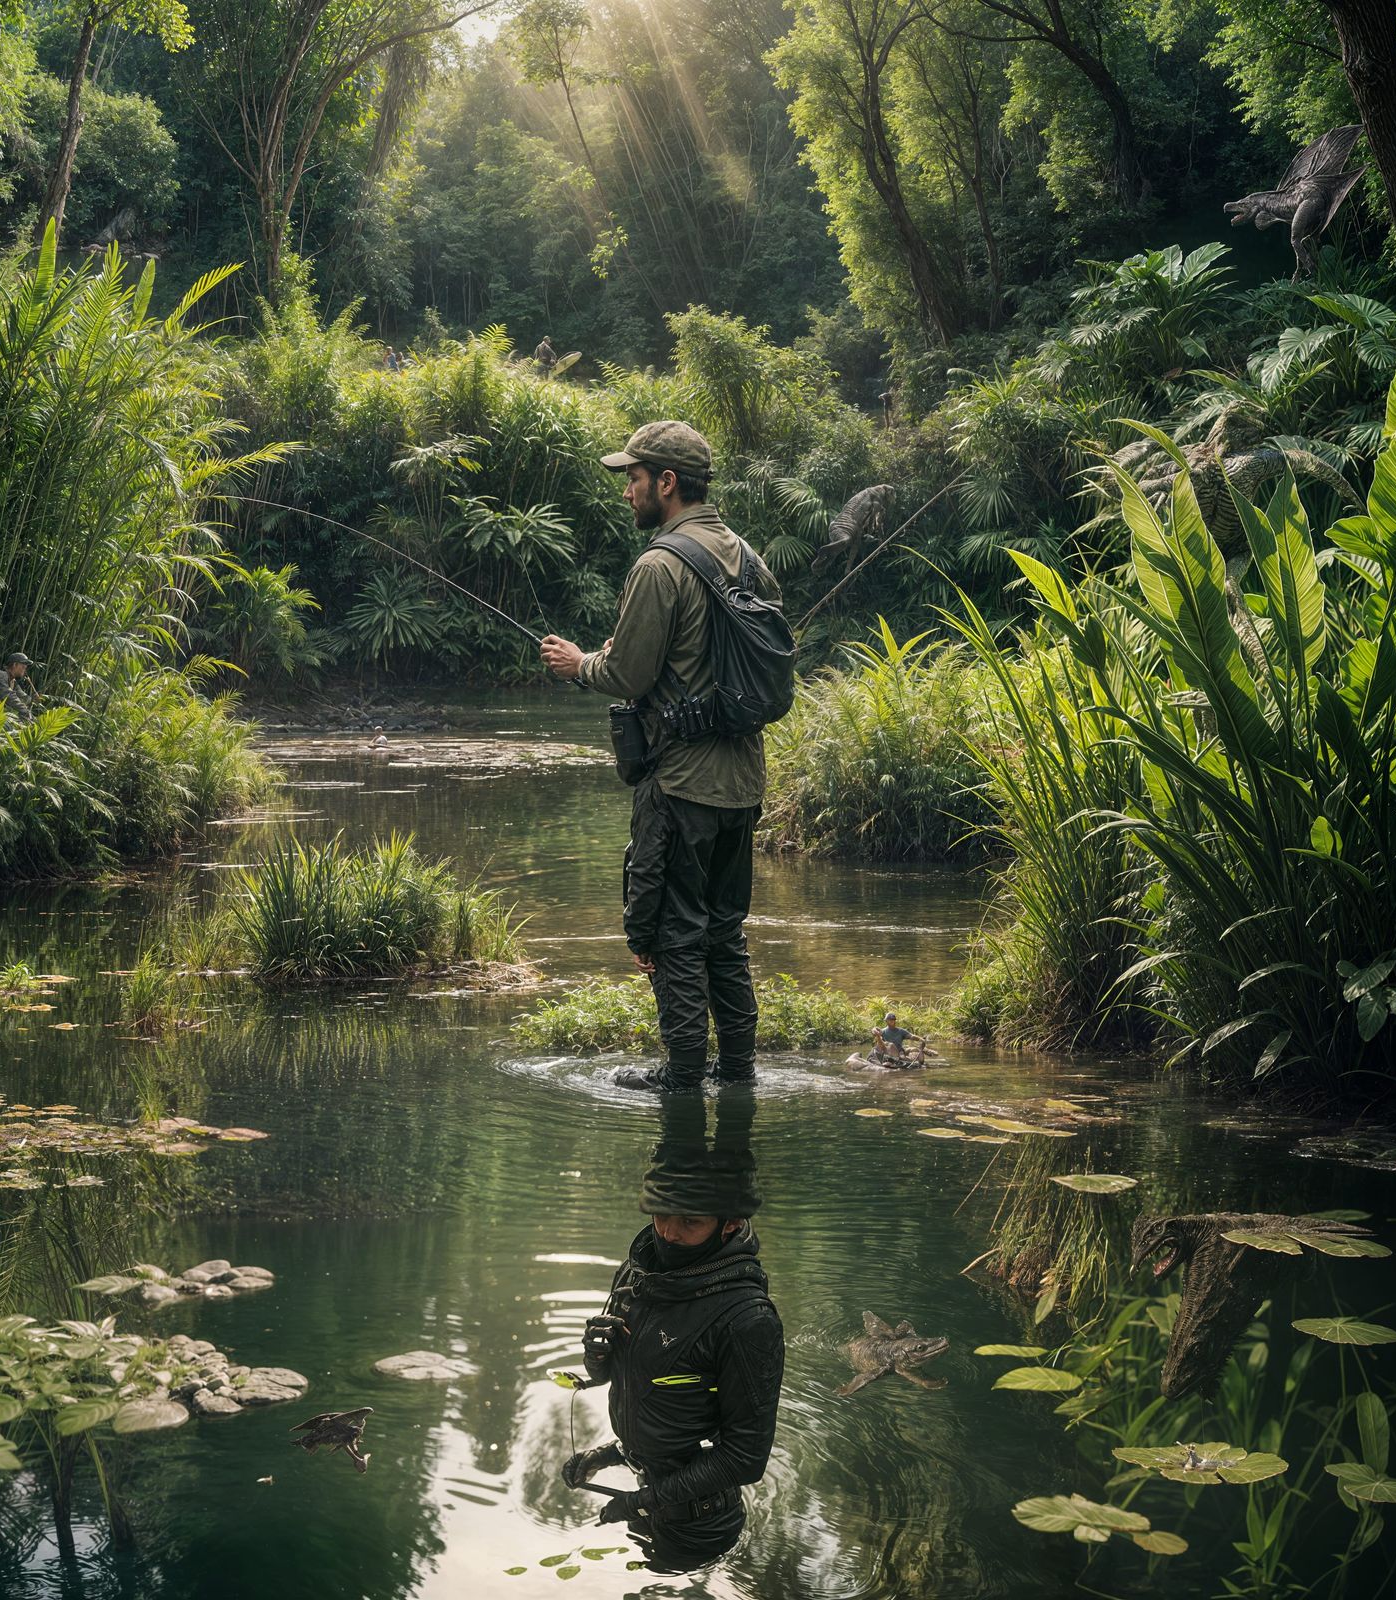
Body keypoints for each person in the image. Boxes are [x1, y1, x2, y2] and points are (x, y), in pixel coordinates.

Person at [539, 422, 782, 1093]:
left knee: (677, 935)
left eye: (634, 478)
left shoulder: (659, 565)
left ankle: (680, 1077)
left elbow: (630, 673)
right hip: (744, 781)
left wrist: (578, 664)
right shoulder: (750, 559)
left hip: (681, 784)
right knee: (725, 935)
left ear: (666, 483)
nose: (627, 492)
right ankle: (737, 1073)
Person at [561, 1090, 782, 1572]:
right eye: (660, 1215)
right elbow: (659, 1394)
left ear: (731, 1224)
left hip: (698, 1523)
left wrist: (641, 1502)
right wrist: (598, 1370)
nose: (668, 1233)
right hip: (651, 1487)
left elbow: (744, 1458)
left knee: (672, 1578)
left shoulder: (747, 1319)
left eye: (690, 1222)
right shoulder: (640, 1273)